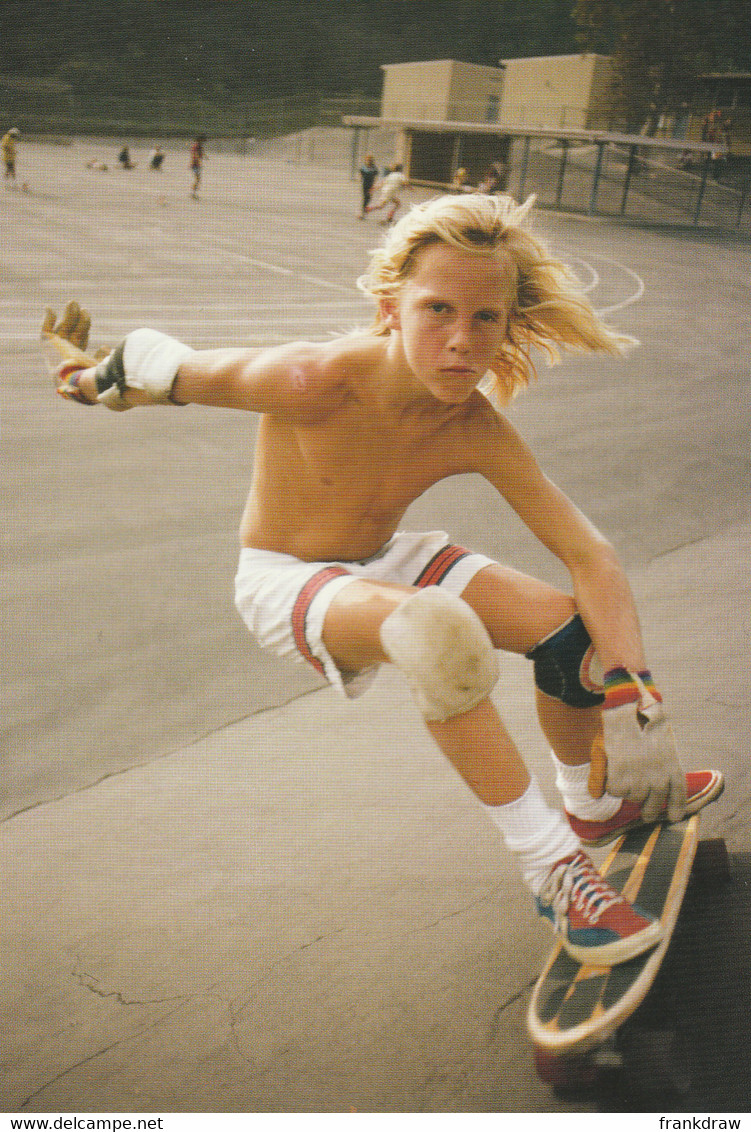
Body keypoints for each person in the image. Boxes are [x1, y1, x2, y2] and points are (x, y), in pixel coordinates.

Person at [43, 192, 723, 968]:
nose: (460, 343)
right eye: (437, 311)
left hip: (387, 557)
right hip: (285, 577)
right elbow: (158, 368)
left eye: (484, 319)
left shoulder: (471, 424)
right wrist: (80, 377)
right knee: (436, 633)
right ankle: (552, 869)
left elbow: (589, 553)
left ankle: (593, 804)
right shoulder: (310, 379)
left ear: (505, 322)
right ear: (388, 308)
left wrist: (635, 690)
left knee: (571, 633)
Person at [358, 154, 379, 218]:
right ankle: (363, 212)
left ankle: (364, 210)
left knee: (369, 198)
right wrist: (360, 179)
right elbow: (361, 174)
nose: (368, 161)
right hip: (365, 184)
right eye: (367, 160)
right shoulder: (364, 167)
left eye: (370, 160)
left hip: (371, 184)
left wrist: (375, 184)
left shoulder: (374, 168)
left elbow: (376, 176)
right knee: (365, 198)